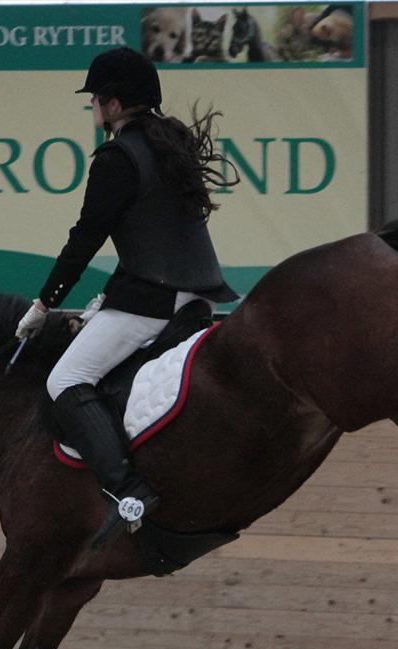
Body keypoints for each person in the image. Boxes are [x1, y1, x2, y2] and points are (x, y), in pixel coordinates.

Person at [15, 47, 238, 546]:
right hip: (200, 299)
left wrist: (45, 302)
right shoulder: (169, 146)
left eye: (96, 98)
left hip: (153, 303)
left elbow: (85, 238)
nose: (93, 107)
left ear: (114, 105)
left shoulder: (117, 157)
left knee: (65, 379)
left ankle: (127, 489)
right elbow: (150, 235)